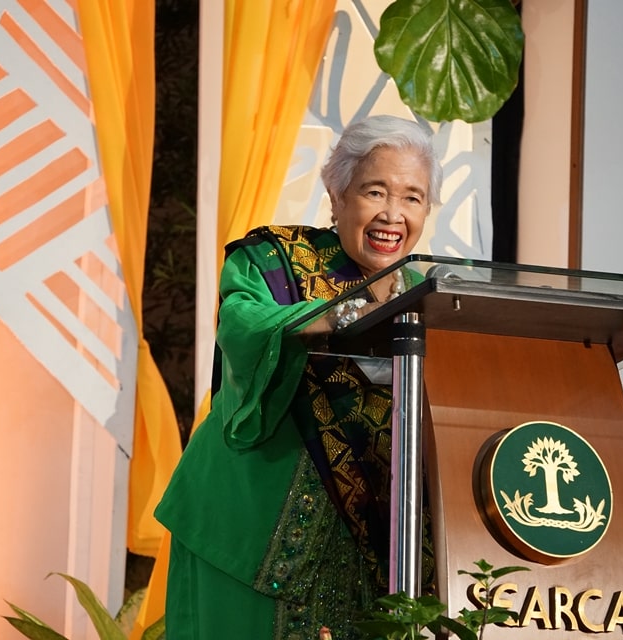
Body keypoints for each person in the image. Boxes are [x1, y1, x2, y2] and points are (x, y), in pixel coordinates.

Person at [155, 114, 443, 640]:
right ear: (337, 195)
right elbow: (243, 323)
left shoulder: (434, 294)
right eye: (374, 191)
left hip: (375, 548)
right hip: (249, 529)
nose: (392, 215)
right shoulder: (275, 262)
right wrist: (340, 316)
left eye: (412, 198)